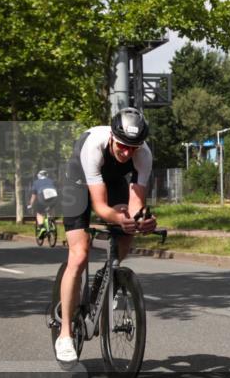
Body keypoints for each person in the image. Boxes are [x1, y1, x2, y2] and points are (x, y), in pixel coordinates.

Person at [55, 108, 157, 363]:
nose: (127, 153)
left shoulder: (143, 154)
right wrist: (117, 217)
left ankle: (106, 277)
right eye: (123, 146)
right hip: (77, 183)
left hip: (111, 182)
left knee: (128, 230)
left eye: (133, 148)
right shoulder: (94, 146)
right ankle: (65, 334)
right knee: (79, 256)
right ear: (112, 137)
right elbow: (100, 208)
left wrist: (141, 219)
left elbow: (135, 204)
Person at [27, 170, 59, 237]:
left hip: (42, 196)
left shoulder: (36, 182)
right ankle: (51, 221)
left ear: (38, 175)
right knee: (51, 208)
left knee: (39, 212)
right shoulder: (51, 180)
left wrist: (30, 204)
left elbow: (33, 196)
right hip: (54, 195)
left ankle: (42, 228)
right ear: (46, 175)